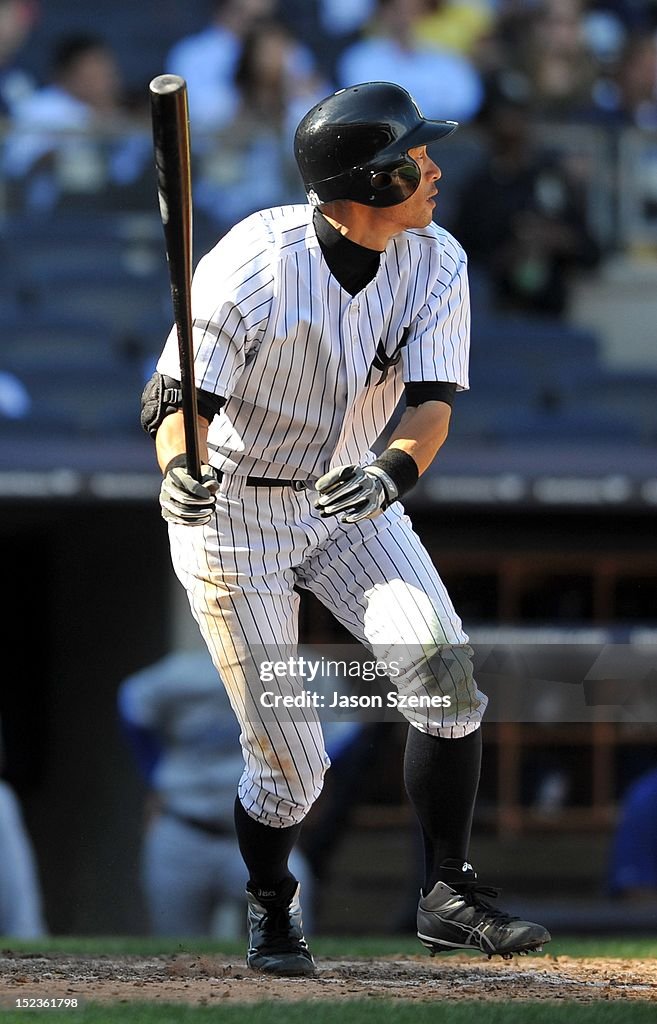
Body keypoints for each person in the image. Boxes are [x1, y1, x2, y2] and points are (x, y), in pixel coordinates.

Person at [140, 79, 550, 976]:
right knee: (293, 763)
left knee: (441, 666)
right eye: (415, 157)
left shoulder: (437, 257)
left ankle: (449, 890)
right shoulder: (255, 260)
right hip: (237, 508)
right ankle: (269, 903)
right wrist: (179, 472)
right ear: (369, 183)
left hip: (349, 492)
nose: (434, 168)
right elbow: (177, 401)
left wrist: (389, 472)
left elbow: (430, 403)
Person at [118, 647, 316, 938]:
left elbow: (341, 728)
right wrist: (155, 776)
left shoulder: (296, 669)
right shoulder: (183, 673)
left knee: (286, 939)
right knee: (178, 951)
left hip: (263, 836)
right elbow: (131, 701)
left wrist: (309, 790)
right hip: (184, 829)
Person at [336, 0, 484, 123]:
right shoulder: (361, 58)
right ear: (385, 13)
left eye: (414, 12)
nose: (407, 19)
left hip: (441, 136)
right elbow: (364, 102)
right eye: (400, 12)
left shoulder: (445, 58)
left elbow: (465, 101)